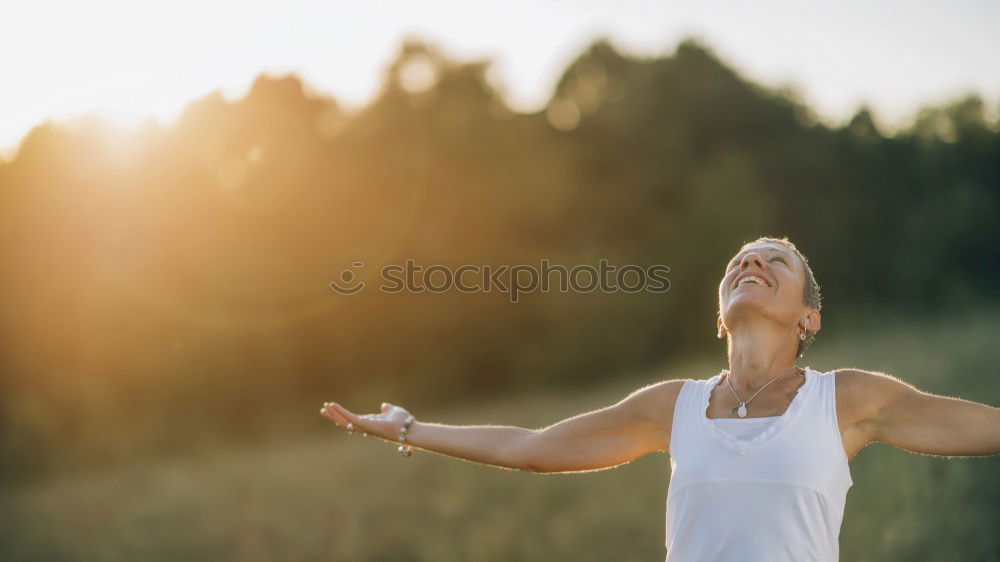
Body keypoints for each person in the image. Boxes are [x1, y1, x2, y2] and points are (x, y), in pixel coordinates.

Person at [319, 236, 1000, 561]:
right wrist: (409, 428)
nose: (749, 264)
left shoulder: (847, 399)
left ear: (808, 318)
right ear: (719, 312)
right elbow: (529, 449)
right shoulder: (670, 406)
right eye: (738, 262)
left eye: (775, 261)